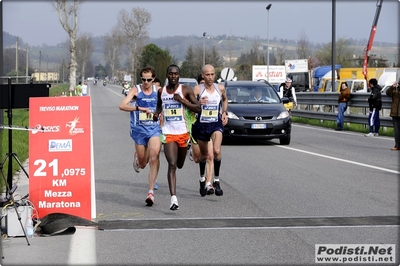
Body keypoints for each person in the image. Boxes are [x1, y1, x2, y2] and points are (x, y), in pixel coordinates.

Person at [154, 64, 201, 210]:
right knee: (172, 164)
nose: (173, 76)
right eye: (170, 74)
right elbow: (159, 106)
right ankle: (173, 199)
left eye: (176, 74)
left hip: (183, 133)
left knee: (180, 164)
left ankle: (186, 150)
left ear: (179, 75)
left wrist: (182, 101)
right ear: (167, 75)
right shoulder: (161, 91)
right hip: (168, 133)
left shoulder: (185, 90)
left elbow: (198, 108)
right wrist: (156, 114)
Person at [119, 67, 162, 207]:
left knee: (155, 156)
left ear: (153, 79)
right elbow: (122, 106)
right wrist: (138, 108)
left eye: (149, 79)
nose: (146, 82)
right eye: (143, 79)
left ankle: (150, 192)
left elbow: (167, 105)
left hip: (154, 129)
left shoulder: (158, 92)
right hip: (139, 130)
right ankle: (137, 157)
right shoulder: (136, 90)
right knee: (143, 164)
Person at [192, 64, 228, 197]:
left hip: (215, 123)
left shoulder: (220, 88)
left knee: (216, 151)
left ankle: (216, 180)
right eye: (207, 74)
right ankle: (202, 178)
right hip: (202, 125)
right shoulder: (197, 89)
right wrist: (197, 103)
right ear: (203, 75)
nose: (210, 77)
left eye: (212, 74)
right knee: (204, 156)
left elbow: (225, 100)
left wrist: (224, 113)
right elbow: (188, 104)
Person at [189, 74, 215, 197]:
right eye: (202, 82)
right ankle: (202, 178)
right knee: (197, 158)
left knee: (210, 155)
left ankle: (209, 183)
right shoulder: (195, 91)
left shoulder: (215, 92)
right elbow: (188, 107)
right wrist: (197, 103)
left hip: (209, 126)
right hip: (197, 127)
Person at [386, 79, 400, 150]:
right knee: (397, 131)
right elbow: (388, 93)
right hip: (395, 113)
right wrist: (392, 87)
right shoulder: (395, 91)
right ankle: (397, 145)